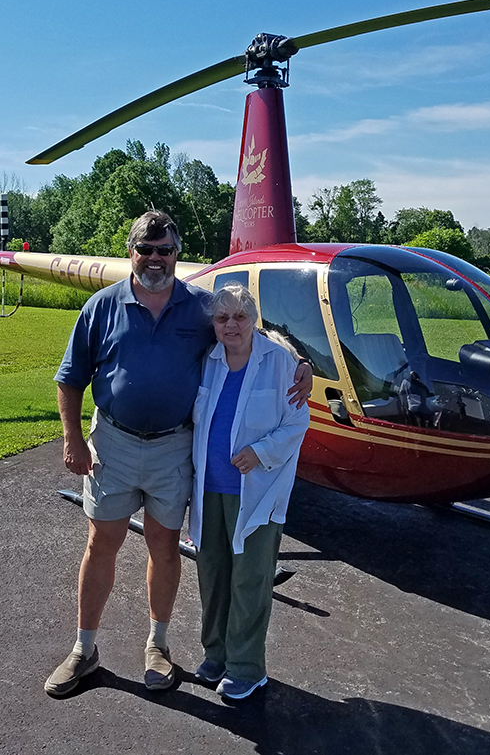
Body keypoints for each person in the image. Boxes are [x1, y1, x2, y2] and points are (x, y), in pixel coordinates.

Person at [44, 211, 312, 698]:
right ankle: (84, 649)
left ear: (176, 253)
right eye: (145, 250)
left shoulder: (199, 306)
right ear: (131, 252)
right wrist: (72, 438)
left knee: (165, 547)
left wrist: (300, 361)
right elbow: (69, 377)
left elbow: (249, 328)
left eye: (164, 250)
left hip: (173, 446)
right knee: (100, 543)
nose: (154, 259)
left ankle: (158, 646)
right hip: (114, 442)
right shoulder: (102, 306)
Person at [188, 283, 310, 700]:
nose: (231, 325)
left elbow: (296, 425)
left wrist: (260, 452)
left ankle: (246, 667)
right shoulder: (209, 361)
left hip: (258, 491)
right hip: (210, 488)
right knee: (214, 575)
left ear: (253, 319)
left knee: (251, 579)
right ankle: (216, 654)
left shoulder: (281, 363)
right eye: (222, 318)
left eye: (240, 317)